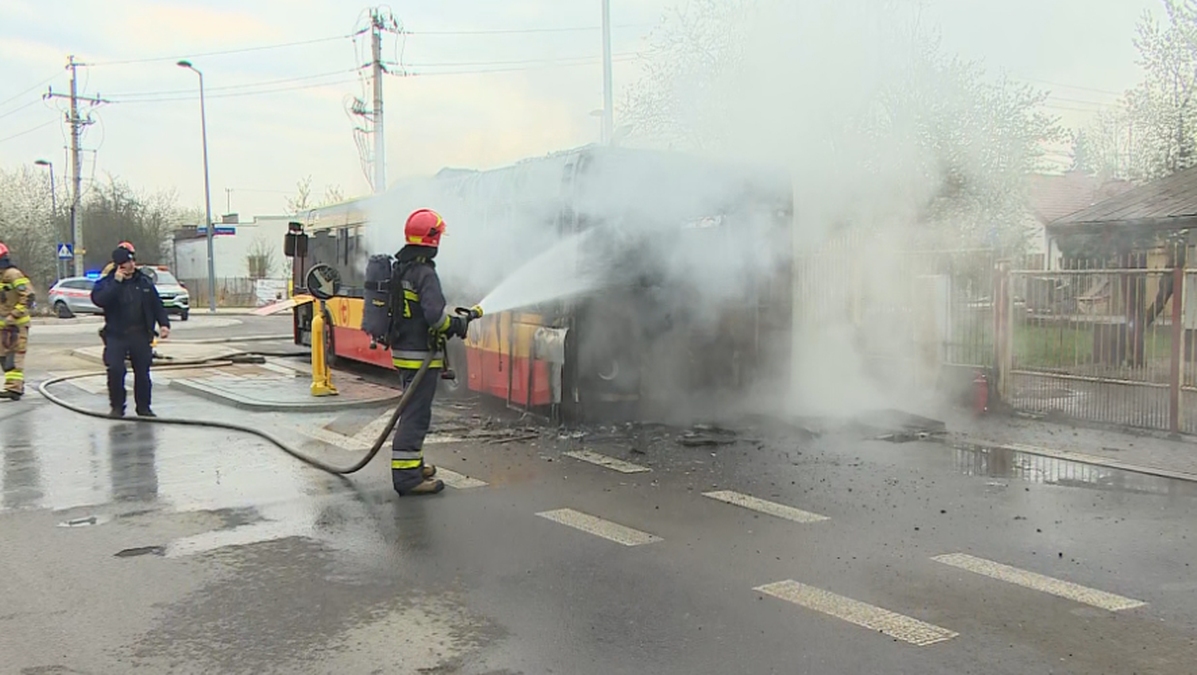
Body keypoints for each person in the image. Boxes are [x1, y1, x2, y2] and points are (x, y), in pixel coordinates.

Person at [388, 208, 471, 496]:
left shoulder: (403, 268)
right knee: (416, 414)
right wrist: (457, 324)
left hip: (403, 352)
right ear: (432, 240)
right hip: (420, 355)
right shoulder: (425, 273)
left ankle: (413, 464)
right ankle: (407, 479)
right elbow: (436, 318)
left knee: (412, 410)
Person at [91, 246, 170, 418]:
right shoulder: (107, 283)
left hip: (140, 333)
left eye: (132, 261)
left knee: (142, 372)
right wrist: (117, 283)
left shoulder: (143, 282)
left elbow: (157, 304)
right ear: (119, 265)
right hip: (116, 334)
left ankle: (144, 407)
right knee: (116, 370)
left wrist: (164, 324)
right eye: (127, 262)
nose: (131, 265)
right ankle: (117, 407)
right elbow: (100, 300)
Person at [0, 242, 33, 400]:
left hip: (16, 326)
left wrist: (14, 315)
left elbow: (28, 296)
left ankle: (15, 389)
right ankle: (14, 386)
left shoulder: (13, 274)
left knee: (14, 357)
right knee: (4, 357)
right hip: (4, 326)